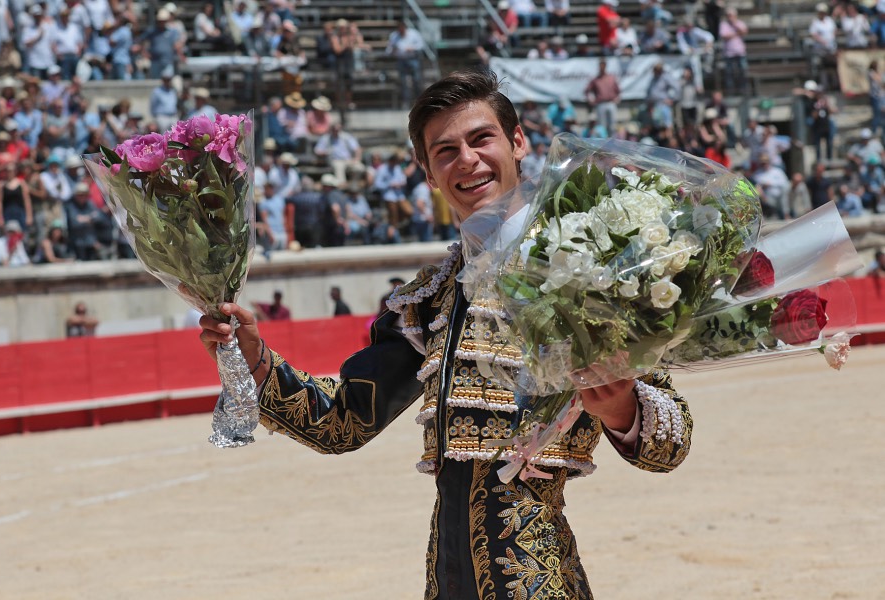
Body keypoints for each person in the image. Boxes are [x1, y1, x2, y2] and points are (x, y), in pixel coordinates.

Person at [198, 69, 692, 598]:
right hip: (447, 579)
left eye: (482, 139)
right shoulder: (431, 298)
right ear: (429, 173)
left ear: (518, 141)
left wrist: (621, 409)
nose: (468, 160)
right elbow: (340, 423)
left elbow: (671, 441)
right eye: (445, 150)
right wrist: (252, 358)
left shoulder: (589, 267)